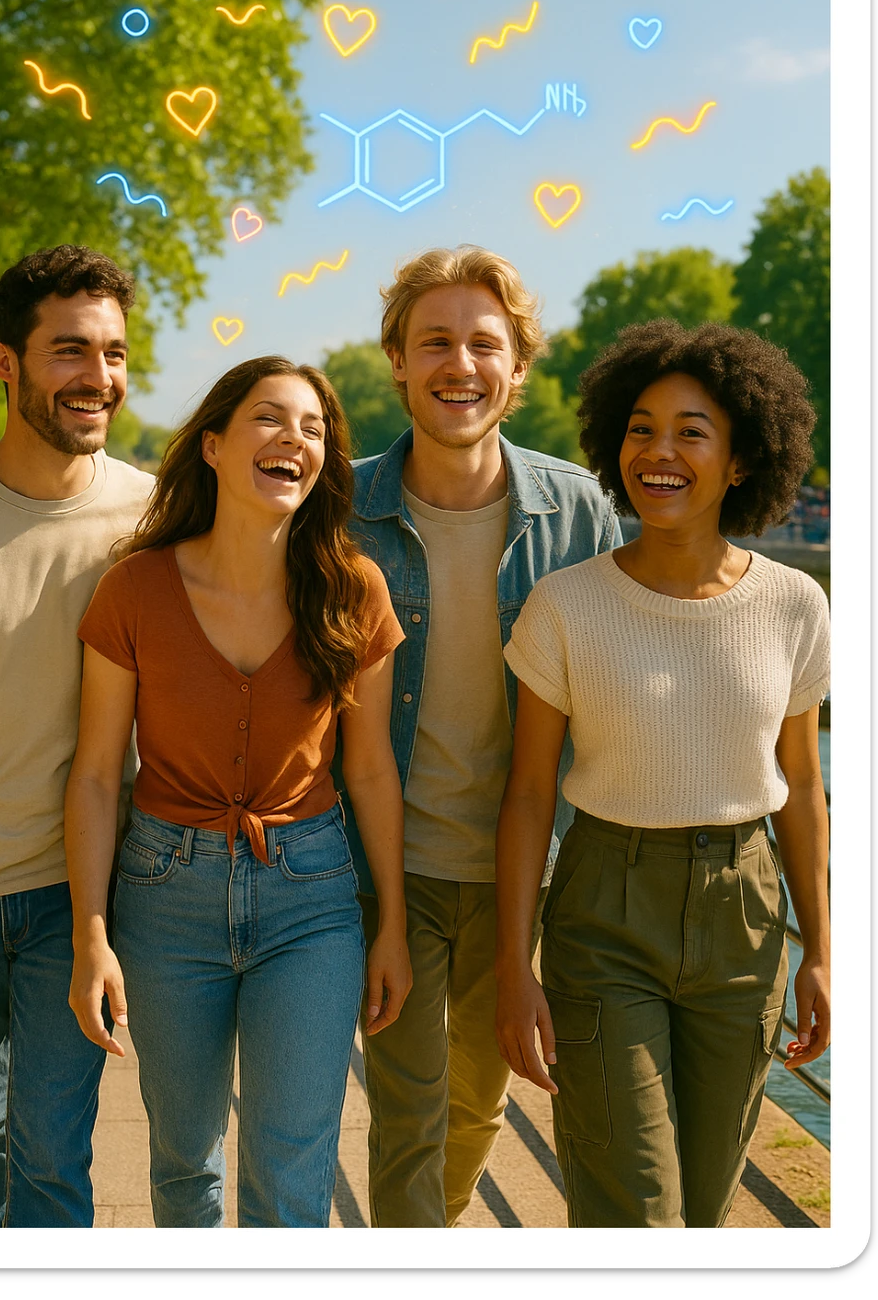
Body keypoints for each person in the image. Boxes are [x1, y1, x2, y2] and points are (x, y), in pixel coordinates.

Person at [496, 319, 830, 1228]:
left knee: (708, 1203)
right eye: (641, 427)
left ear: (741, 460)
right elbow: (528, 795)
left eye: (692, 430)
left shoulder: (795, 604)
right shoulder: (564, 606)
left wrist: (824, 954)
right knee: (630, 1207)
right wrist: (513, 963)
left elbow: (801, 786)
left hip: (747, 918)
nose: (660, 451)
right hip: (605, 912)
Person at [65, 355, 412, 1229]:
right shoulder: (133, 589)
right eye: (269, 418)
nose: (294, 438)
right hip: (162, 899)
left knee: (292, 1168)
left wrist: (393, 926)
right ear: (214, 446)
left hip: (313, 901)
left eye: (313, 428)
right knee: (184, 1162)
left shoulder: (353, 590)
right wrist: (91, 939)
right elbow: (100, 774)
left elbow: (369, 771)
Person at [338, 245, 621, 1228]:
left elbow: (621, 675)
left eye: (483, 344)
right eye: (435, 343)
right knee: (406, 1112)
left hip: (526, 875)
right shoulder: (340, 510)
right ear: (398, 362)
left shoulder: (576, 506)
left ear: (518, 364)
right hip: (391, 867)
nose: (460, 364)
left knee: (477, 1101)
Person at [0, 244, 155, 1228]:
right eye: (70, 353)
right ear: (6, 364)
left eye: (114, 353)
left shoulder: (151, 513)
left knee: (52, 1157)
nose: (99, 378)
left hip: (78, 893)